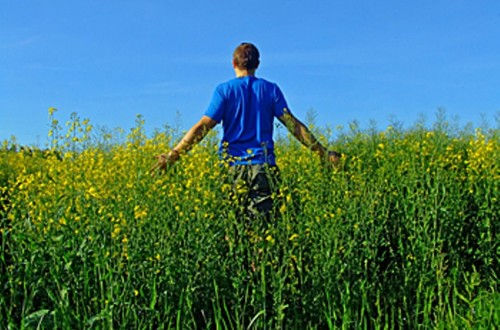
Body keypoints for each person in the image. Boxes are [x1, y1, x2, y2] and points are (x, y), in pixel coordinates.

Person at [151, 42, 340, 217]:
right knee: (263, 230)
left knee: (232, 229)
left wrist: (173, 155)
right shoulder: (270, 89)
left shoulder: (224, 90)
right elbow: (294, 126)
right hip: (263, 167)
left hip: (231, 168)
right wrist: (322, 153)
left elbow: (202, 127)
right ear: (257, 64)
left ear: (234, 63)